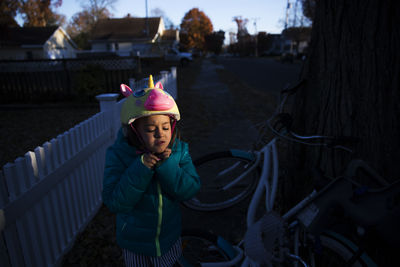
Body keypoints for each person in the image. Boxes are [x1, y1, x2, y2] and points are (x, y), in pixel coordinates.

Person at [102, 75, 200, 266]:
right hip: (134, 242)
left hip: (168, 238)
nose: (160, 134)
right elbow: (114, 202)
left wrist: (168, 166)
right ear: (134, 131)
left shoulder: (178, 151)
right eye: (150, 129)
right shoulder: (119, 154)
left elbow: (191, 189)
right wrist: (141, 167)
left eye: (165, 127)